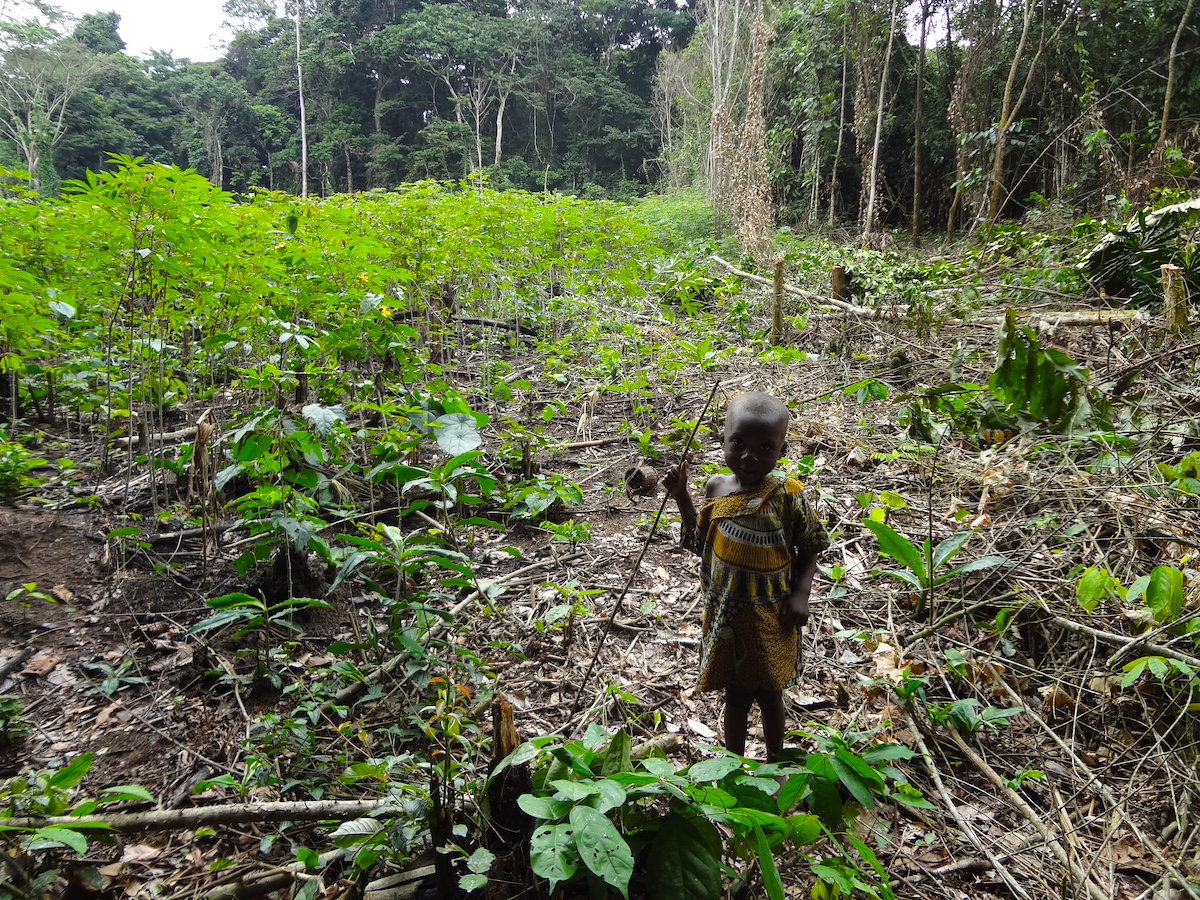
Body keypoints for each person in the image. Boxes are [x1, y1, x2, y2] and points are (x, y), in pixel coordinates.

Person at [664, 391, 828, 761]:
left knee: (770, 693)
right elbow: (699, 542)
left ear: (781, 450)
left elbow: (812, 546)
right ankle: (733, 767)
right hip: (727, 615)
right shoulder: (716, 489)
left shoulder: (788, 495)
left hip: (772, 615)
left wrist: (800, 595)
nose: (749, 456)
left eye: (764, 447)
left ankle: (774, 762)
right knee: (735, 696)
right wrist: (681, 497)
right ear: (722, 439)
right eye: (738, 443)